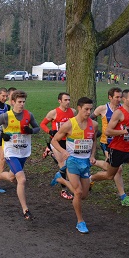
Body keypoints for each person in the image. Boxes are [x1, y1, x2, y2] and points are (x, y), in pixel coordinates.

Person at [90, 89, 129, 215]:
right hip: (117, 149)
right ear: (124, 99)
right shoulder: (118, 113)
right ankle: (90, 178)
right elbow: (108, 131)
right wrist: (126, 132)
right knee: (109, 175)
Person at [50, 97, 98, 233]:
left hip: (85, 162)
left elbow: (94, 141)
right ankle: (80, 222)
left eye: (90, 109)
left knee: (84, 195)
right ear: (79, 108)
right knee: (77, 192)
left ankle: (60, 178)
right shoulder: (69, 124)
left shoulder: (94, 125)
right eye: (86, 109)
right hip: (72, 161)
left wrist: (93, 155)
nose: (89, 112)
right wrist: (63, 151)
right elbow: (54, 140)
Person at [0, 90, 40, 219]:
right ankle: (25, 209)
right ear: (12, 102)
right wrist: (2, 134)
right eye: (19, 102)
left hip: (23, 151)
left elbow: (38, 128)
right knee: (21, 179)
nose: (22, 104)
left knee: (12, 177)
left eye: (24, 102)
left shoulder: (29, 115)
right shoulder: (5, 116)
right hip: (10, 151)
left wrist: (31, 130)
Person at [90, 87, 129, 206]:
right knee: (118, 169)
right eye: (117, 97)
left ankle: (91, 172)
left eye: (120, 97)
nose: (119, 99)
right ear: (110, 97)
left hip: (120, 143)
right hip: (107, 143)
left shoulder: (123, 110)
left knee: (110, 169)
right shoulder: (102, 109)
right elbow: (89, 120)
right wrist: (93, 131)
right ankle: (123, 196)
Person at [40, 92, 77, 200]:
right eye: (65, 100)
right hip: (57, 141)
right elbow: (42, 124)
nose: (68, 102)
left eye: (69, 100)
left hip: (69, 141)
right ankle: (64, 190)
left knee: (70, 163)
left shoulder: (73, 112)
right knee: (62, 164)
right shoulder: (53, 113)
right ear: (59, 101)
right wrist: (50, 131)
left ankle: (49, 151)